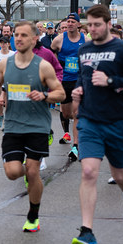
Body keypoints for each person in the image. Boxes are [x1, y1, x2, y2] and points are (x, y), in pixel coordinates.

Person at [70, 4, 123, 244]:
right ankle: (87, 232)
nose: (92, 29)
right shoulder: (84, 49)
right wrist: (79, 89)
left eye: (97, 25)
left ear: (108, 24)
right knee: (88, 172)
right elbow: (82, 77)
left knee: (120, 175)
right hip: (89, 120)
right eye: (89, 25)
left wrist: (110, 81)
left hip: (116, 120)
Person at [0, 21, 64, 232]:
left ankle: (33, 215)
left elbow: (61, 93)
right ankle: (32, 178)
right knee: (13, 172)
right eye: (16, 35)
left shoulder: (43, 66)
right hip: (13, 125)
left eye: (24, 35)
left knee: (32, 171)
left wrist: (44, 95)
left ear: (34, 39)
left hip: (37, 126)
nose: (18, 38)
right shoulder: (6, 64)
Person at [51, 12, 85, 161]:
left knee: (76, 113)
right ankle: (68, 132)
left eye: (73, 21)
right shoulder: (59, 40)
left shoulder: (85, 40)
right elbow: (51, 56)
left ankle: (76, 146)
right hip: (64, 81)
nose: (70, 24)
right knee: (66, 113)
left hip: (79, 80)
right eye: (68, 22)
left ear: (78, 24)